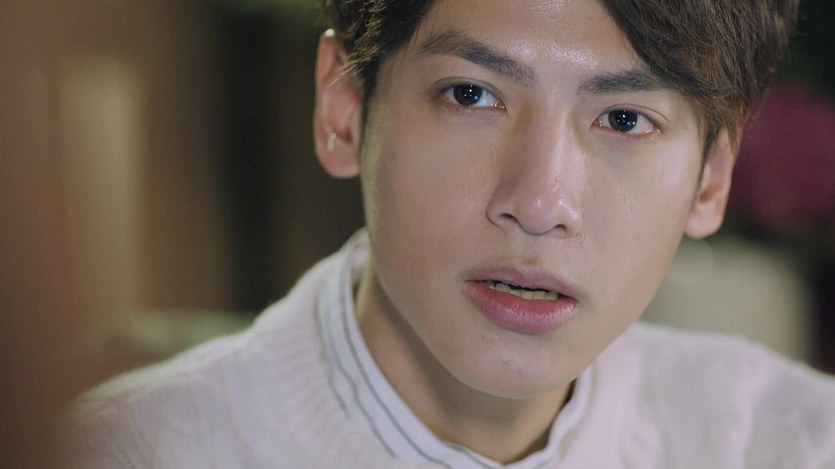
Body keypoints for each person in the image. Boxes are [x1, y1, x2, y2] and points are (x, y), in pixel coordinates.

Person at [68, 0, 835, 467]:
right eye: (471, 95)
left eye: (625, 119)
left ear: (710, 177)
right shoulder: (131, 451)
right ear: (344, 108)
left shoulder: (791, 442)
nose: (539, 202)